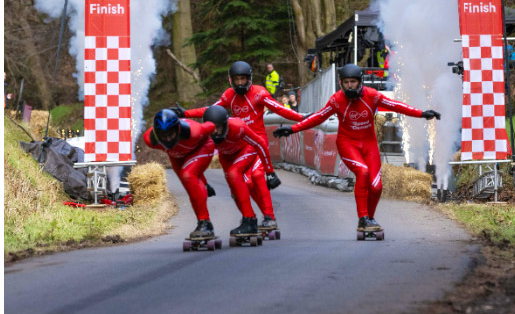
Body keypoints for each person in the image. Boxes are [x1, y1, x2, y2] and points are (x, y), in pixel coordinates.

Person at [273, 64, 440, 234]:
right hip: (347, 144)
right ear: (341, 83)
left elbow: (396, 105)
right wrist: (293, 129)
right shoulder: (336, 99)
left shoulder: (372, 95)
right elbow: (319, 117)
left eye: (353, 81)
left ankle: (369, 219)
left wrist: (421, 113)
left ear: (360, 82)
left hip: (369, 145)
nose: (350, 86)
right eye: (346, 82)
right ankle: (363, 217)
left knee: (376, 186)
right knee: (363, 172)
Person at [174, 61, 301, 213]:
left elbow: (280, 109)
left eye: (243, 79)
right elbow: (211, 110)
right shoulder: (229, 95)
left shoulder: (259, 93)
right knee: (246, 183)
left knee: (257, 175)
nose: (240, 83)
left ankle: (269, 216)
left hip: (258, 142)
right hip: (241, 146)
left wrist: (302, 118)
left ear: (249, 79)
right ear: (231, 80)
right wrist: (185, 113)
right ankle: (257, 216)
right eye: (237, 79)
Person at [201, 105, 280, 235]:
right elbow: (199, 163)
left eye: (219, 127)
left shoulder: (237, 126)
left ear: (225, 125)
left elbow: (259, 143)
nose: (215, 132)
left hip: (246, 149)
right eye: (211, 128)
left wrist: (270, 172)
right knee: (234, 191)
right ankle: (248, 219)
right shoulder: (202, 136)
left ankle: (264, 217)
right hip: (226, 157)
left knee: (249, 176)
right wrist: (204, 183)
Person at [142, 109, 218, 240]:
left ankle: (205, 223)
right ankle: (204, 186)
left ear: (178, 129)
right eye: (163, 136)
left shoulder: (195, 131)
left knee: (188, 175)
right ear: (157, 134)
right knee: (189, 184)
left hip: (202, 147)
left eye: (171, 134)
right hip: (177, 156)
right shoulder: (150, 140)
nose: (168, 139)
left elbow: (213, 125)